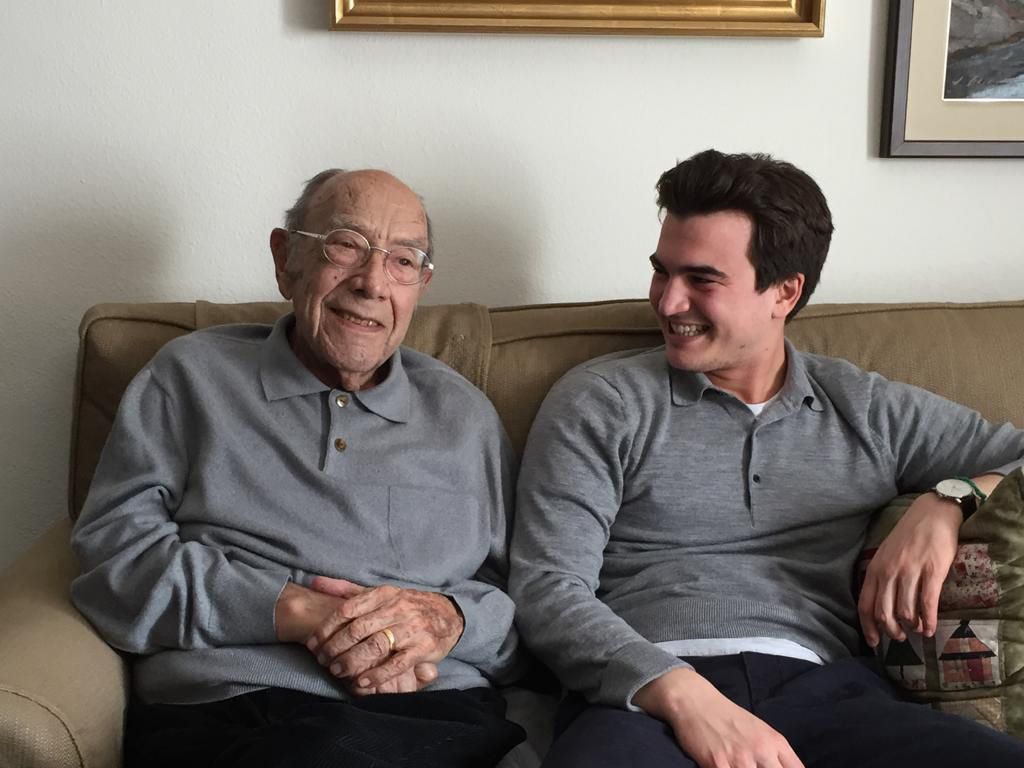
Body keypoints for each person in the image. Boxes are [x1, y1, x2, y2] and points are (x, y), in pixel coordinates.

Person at [509, 149, 1024, 768]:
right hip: (643, 698)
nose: (668, 303)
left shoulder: (865, 408)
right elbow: (547, 587)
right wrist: (685, 697)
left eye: (702, 280)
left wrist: (951, 499)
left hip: (826, 692)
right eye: (661, 272)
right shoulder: (604, 401)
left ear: (784, 291)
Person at [71, 169, 526, 768]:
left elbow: (524, 604)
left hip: (431, 713)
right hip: (230, 702)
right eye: (346, 246)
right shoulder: (189, 377)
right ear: (286, 261)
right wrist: (295, 610)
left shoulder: (464, 417)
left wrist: (448, 619)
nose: (372, 283)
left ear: (421, 284)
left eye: (403, 261)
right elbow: (112, 563)